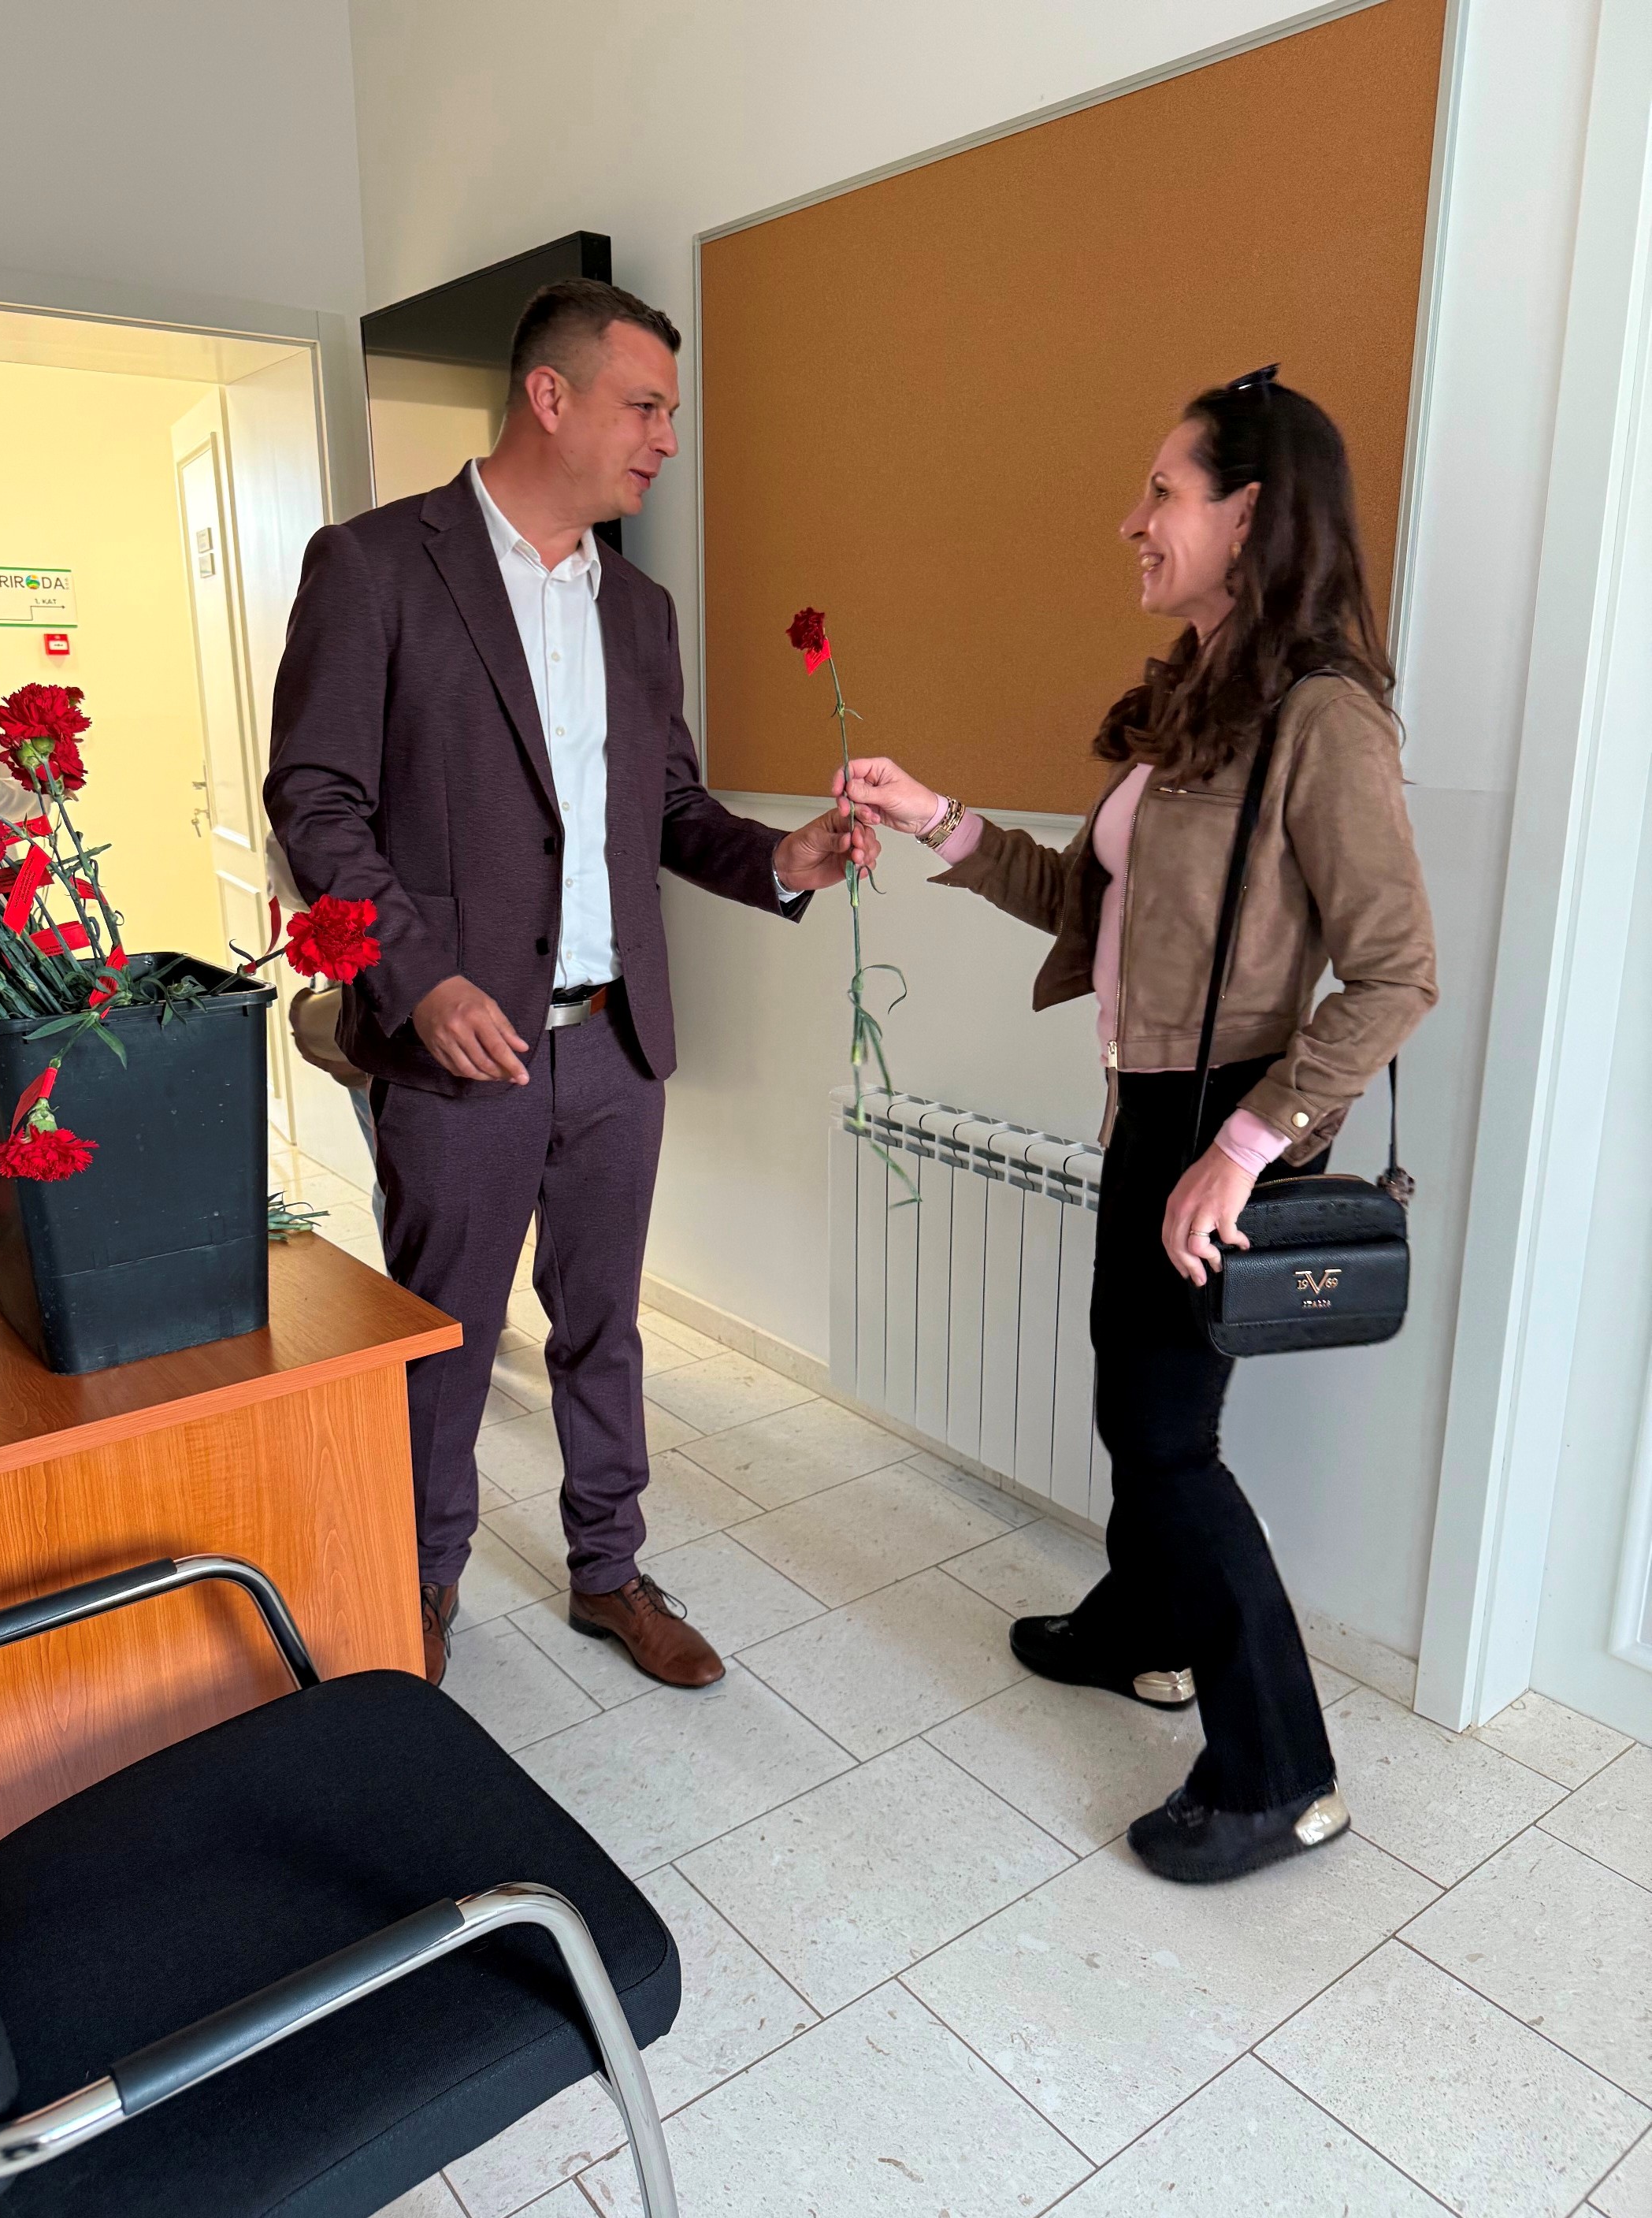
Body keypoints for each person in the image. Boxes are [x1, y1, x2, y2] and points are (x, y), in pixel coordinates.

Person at [838, 369, 1437, 1883]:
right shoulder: (1196, 703)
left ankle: (1282, 1775)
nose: (1132, 521)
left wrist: (1241, 1147)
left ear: (1248, 515)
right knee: (1140, 1405)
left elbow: (1394, 971)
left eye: (1161, 492)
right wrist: (934, 818)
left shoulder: (1323, 718)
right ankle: (1142, 1633)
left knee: (1165, 1440)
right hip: (1148, 1102)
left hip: (1220, 1120)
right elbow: (1082, 905)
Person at [265, 277, 874, 1688]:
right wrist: (420, 980)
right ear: (551, 396)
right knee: (447, 1337)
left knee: (604, 1325)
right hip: (458, 1052)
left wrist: (779, 859)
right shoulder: (374, 565)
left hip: (612, 1042)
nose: (666, 438)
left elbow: (666, 808)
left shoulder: (640, 611)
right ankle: (419, 1580)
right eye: (645, 406)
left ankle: (608, 1569)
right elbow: (316, 799)